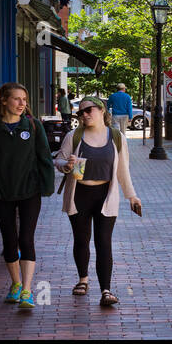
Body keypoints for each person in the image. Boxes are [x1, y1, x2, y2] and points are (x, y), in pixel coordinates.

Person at [0, 82, 54, 310]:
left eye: (24, 99)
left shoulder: (33, 126)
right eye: (17, 99)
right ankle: (16, 284)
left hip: (30, 191)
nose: (21, 104)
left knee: (26, 239)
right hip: (3, 193)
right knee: (9, 240)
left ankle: (27, 290)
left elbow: (44, 158)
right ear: (4, 101)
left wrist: (46, 186)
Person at [55, 99, 141, 309]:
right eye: (80, 112)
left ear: (102, 110)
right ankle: (83, 280)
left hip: (106, 195)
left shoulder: (117, 137)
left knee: (104, 242)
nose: (84, 114)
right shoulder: (73, 136)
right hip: (79, 193)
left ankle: (106, 290)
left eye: (88, 110)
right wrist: (66, 165)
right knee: (82, 239)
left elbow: (123, 170)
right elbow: (58, 160)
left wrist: (132, 196)